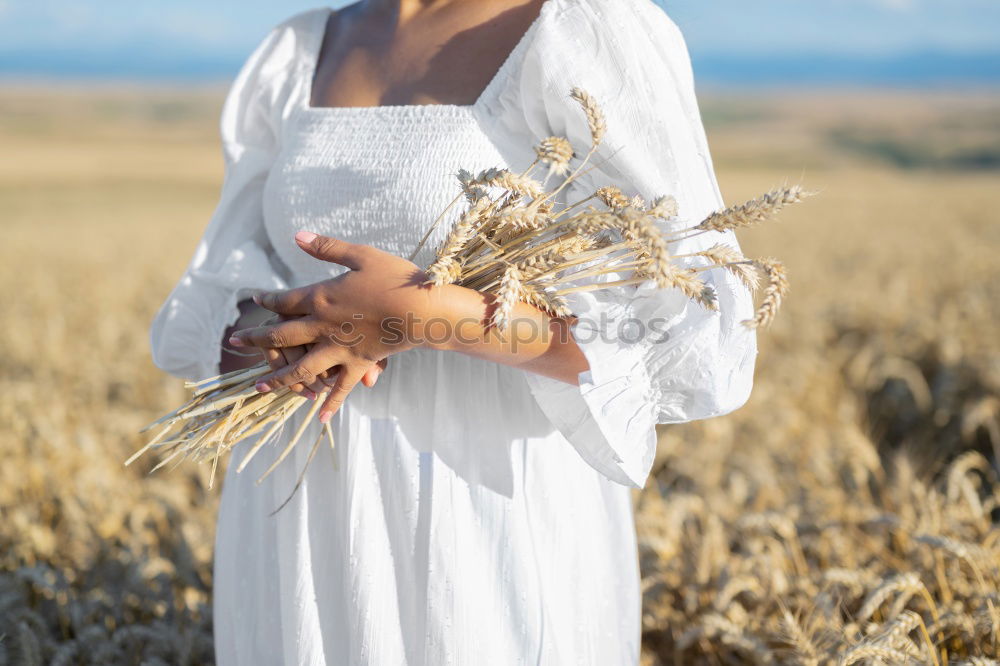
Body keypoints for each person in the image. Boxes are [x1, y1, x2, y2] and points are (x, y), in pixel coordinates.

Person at [149, 0, 758, 662]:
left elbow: (697, 331)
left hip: (482, 513)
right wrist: (273, 336)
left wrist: (429, 316)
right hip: (294, 505)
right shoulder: (298, 50)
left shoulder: (585, 29)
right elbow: (224, 281)